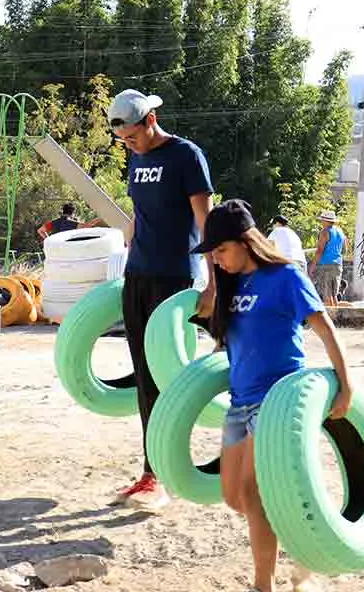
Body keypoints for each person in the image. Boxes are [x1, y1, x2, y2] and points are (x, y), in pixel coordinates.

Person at [192, 199, 354, 592]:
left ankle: (263, 585)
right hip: (240, 402)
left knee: (255, 492)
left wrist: (345, 384)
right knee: (234, 496)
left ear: (246, 242)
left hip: (279, 400)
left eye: (221, 249)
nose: (216, 258)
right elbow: (230, 345)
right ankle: (299, 535)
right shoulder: (232, 285)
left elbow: (325, 328)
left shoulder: (285, 277)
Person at [107, 88, 217, 511]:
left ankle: (170, 472)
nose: (127, 145)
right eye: (122, 139)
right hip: (138, 275)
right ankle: (152, 474)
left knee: (168, 377)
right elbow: (141, 212)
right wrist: (124, 249)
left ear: (150, 121)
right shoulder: (136, 157)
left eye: (132, 137)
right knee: (143, 378)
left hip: (175, 280)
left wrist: (213, 284)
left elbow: (207, 222)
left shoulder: (186, 156)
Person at [309, 210, 346, 307]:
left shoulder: (324, 232)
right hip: (338, 265)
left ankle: (331, 318)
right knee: (334, 295)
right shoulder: (340, 232)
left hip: (326, 265)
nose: (321, 222)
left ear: (326, 221)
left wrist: (312, 266)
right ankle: (336, 318)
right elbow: (344, 250)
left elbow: (320, 250)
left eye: (322, 220)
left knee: (327, 295)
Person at [37, 203, 102, 239]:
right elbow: (88, 225)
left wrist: (48, 240)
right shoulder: (71, 223)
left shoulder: (54, 223)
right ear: (72, 213)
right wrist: (101, 217)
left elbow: (40, 231)